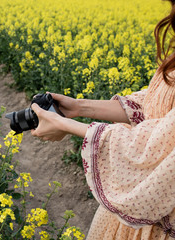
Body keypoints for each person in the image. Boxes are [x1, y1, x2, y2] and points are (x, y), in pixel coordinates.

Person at [31, 0, 175, 239]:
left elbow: (161, 146)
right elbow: (153, 107)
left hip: (157, 216)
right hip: (140, 204)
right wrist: (78, 107)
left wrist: (66, 126)